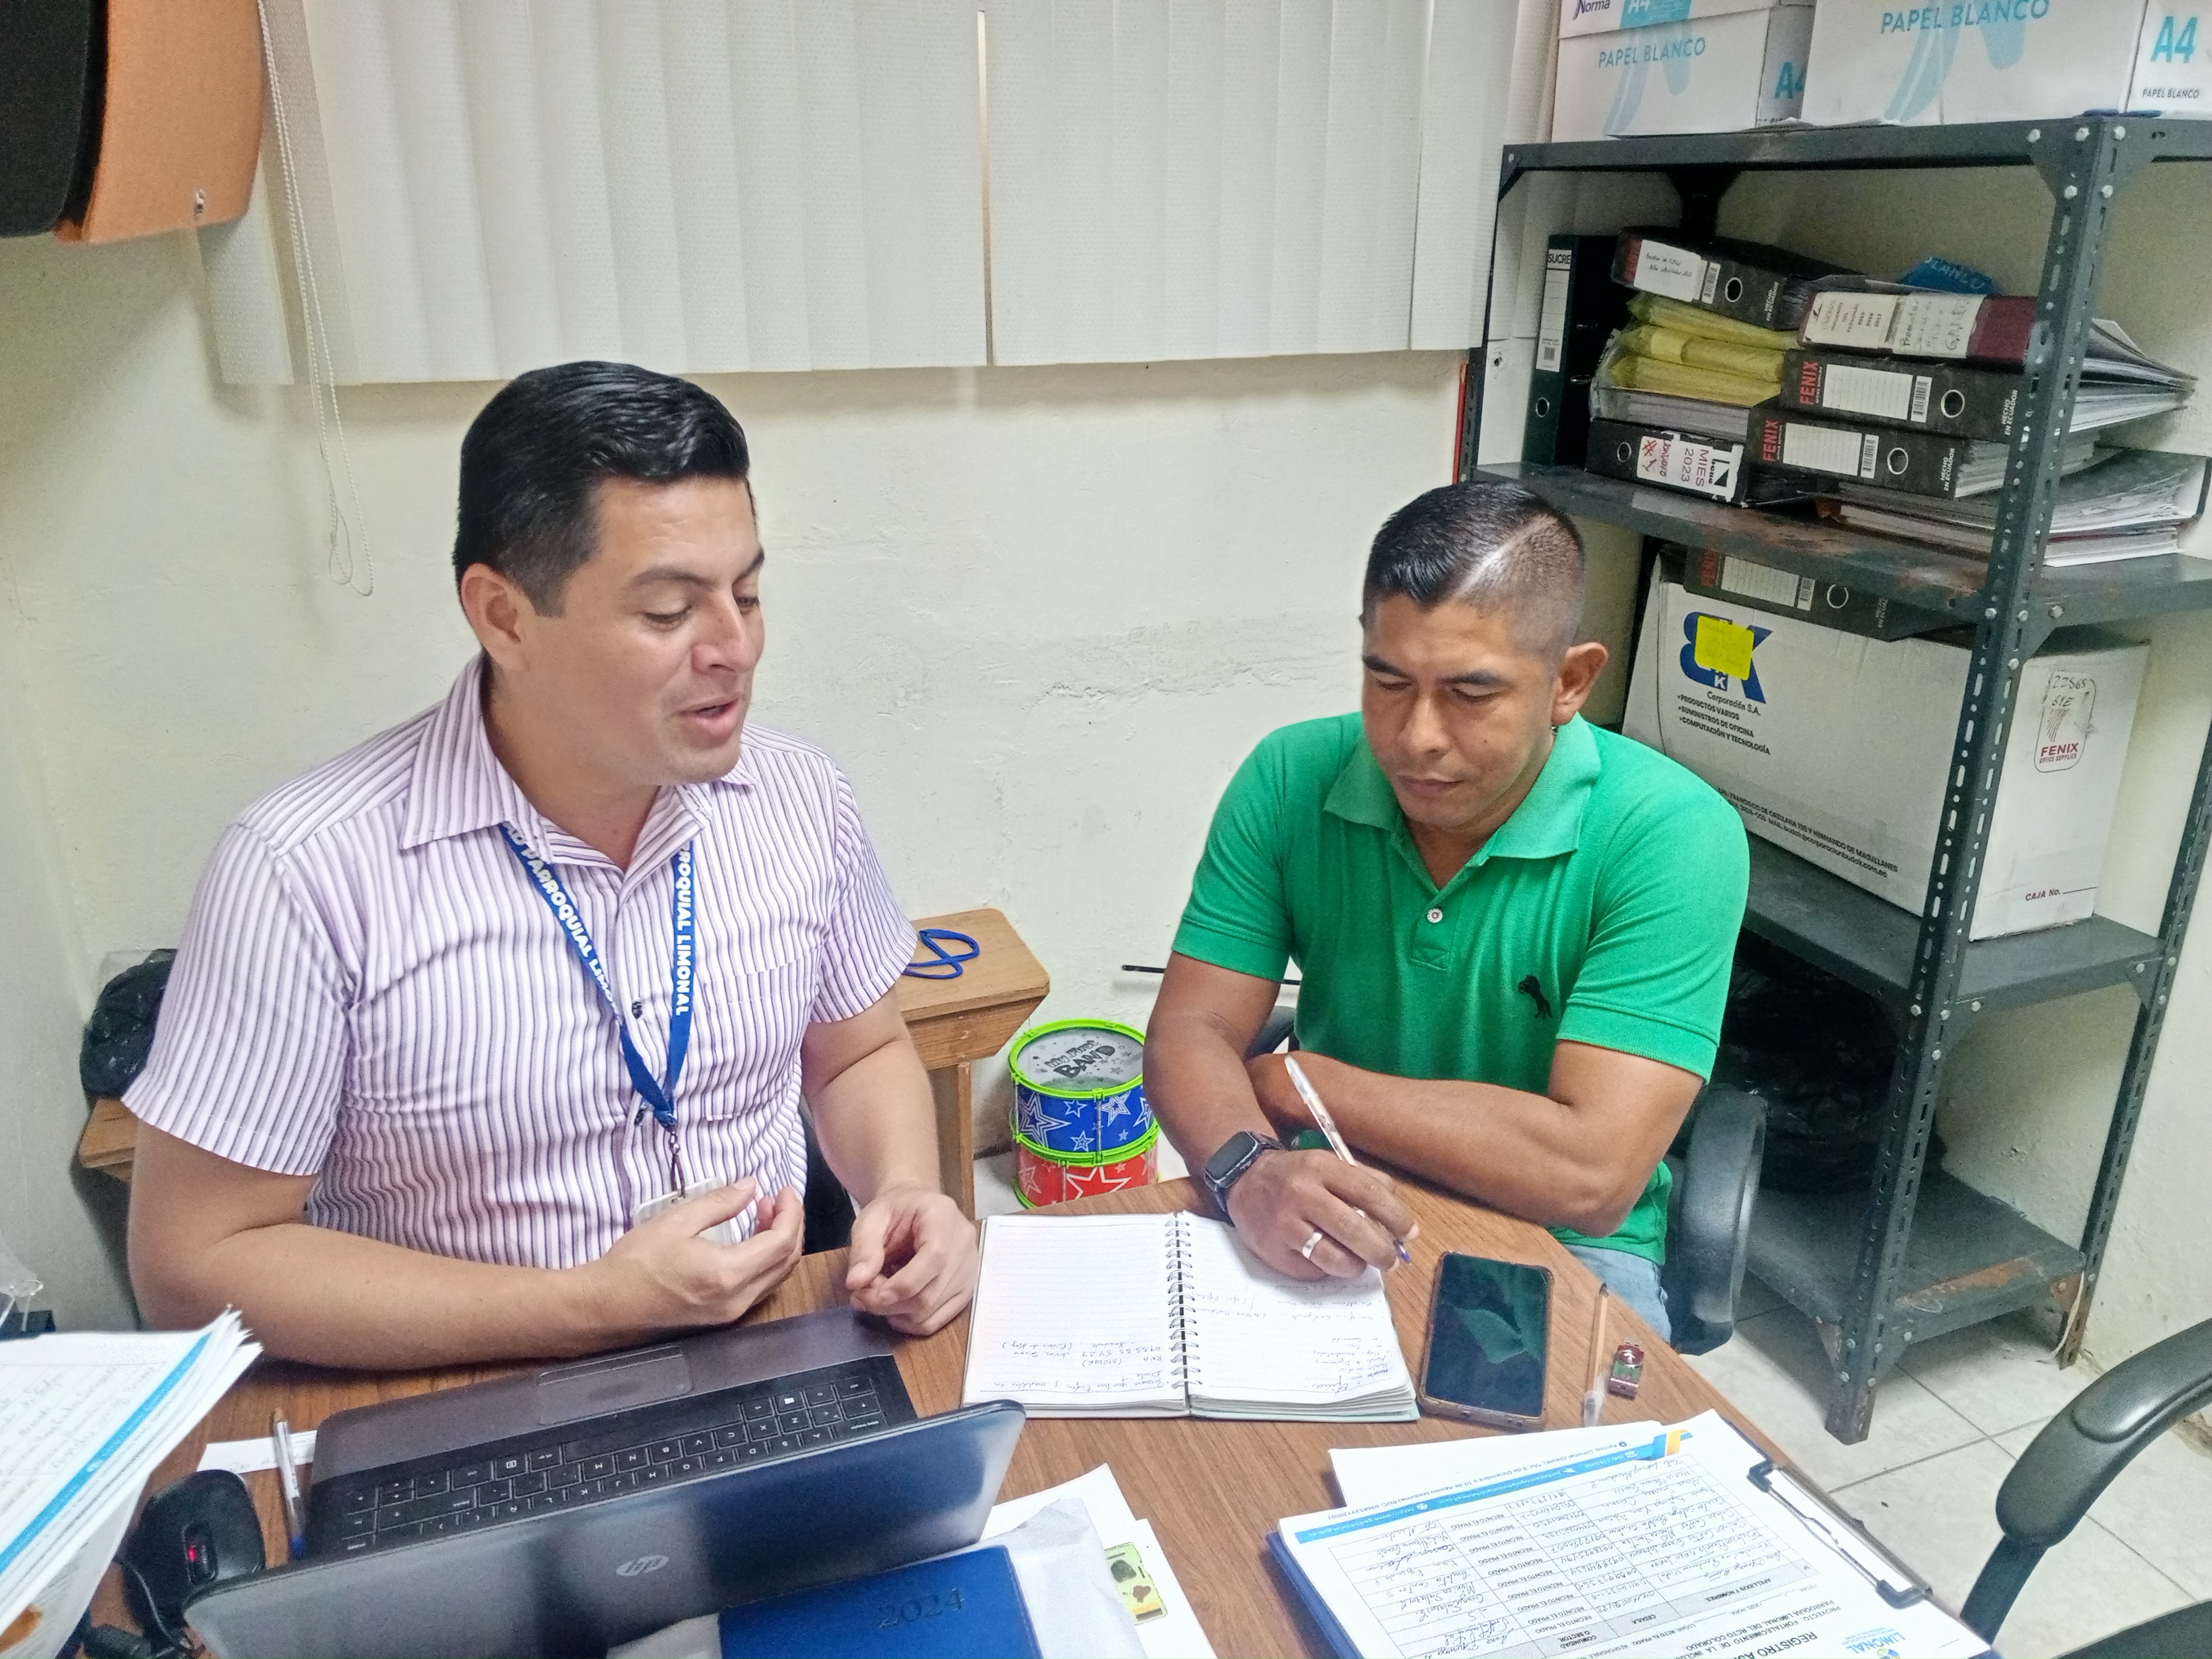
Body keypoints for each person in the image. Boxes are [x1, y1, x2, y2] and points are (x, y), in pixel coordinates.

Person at [126, 361, 977, 1368]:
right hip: (472, 1390)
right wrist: (586, 1306)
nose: (735, 647)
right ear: (504, 617)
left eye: (747, 593)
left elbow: (858, 1052)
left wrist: (904, 1190)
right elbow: (193, 1264)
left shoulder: (800, 798)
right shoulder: (304, 872)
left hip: (777, 1346)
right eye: (669, 613)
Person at [1146, 481, 1748, 1339]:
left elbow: (1590, 1175)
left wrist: (1299, 1081)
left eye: (1470, 694)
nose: (1416, 736)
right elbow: (1191, 1029)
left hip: (1565, 1240)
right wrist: (1250, 1170)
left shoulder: (1673, 835)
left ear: (1569, 682)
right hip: (1332, 1190)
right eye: (1388, 681)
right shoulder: (1288, 777)